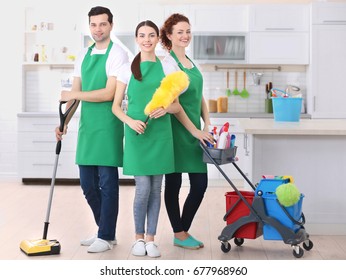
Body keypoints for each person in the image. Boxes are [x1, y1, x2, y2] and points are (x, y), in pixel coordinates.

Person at [55, 6, 129, 253]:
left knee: (108, 185)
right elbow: (75, 98)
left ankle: (106, 234)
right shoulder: (83, 55)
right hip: (87, 128)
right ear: (90, 26)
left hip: (108, 127)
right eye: (94, 24)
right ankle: (104, 231)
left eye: (103, 24)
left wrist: (73, 93)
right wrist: (64, 122)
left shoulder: (117, 54)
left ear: (111, 25)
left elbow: (109, 94)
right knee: (88, 185)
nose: (98, 29)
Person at [112, 20, 179, 258]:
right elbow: (116, 107)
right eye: (142, 35)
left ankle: (151, 240)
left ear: (157, 38)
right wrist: (130, 122)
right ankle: (138, 238)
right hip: (137, 134)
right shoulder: (126, 69)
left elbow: (176, 106)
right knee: (143, 188)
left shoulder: (168, 66)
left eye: (151, 35)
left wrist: (166, 109)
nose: (147, 40)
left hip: (161, 134)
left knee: (156, 188)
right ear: (136, 39)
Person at [160, 13, 215, 249]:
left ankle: (182, 230)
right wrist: (194, 131)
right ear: (169, 35)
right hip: (177, 131)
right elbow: (175, 104)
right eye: (180, 32)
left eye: (188, 31)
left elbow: (199, 95)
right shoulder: (168, 63)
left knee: (200, 185)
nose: (185, 36)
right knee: (173, 185)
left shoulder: (192, 63)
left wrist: (207, 123)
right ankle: (179, 233)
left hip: (195, 132)